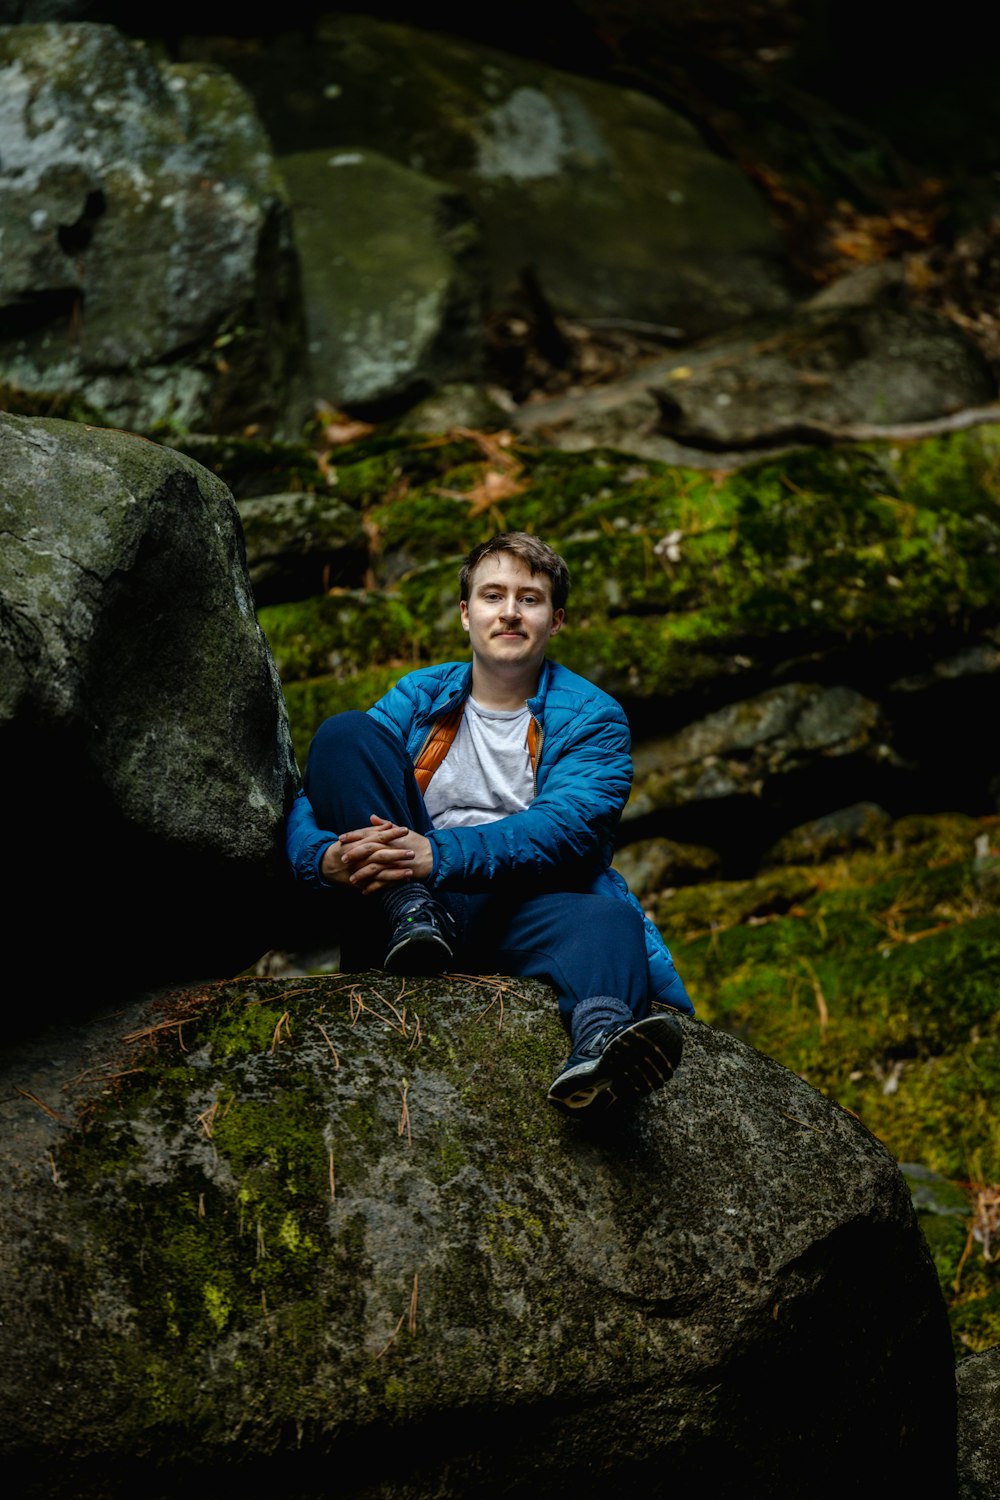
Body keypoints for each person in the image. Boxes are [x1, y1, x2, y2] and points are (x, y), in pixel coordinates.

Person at [285, 532, 693, 1117]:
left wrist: (436, 854)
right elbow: (320, 792)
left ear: (555, 620)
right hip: (403, 914)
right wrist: (323, 859)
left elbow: (567, 831)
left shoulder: (593, 716)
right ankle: (410, 911)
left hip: (513, 907)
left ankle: (600, 1046)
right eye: (492, 595)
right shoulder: (419, 694)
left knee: (608, 917)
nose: (509, 612)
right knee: (343, 734)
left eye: (529, 599)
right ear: (465, 613)